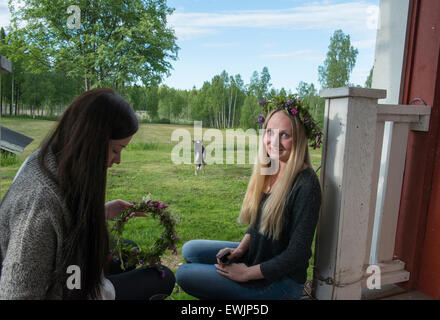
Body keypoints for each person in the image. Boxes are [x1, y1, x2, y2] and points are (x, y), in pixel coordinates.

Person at [0, 88, 175, 300]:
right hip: (69, 288)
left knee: (130, 249)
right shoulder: (39, 204)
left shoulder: (55, 160)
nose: (118, 160)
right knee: (162, 279)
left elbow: (62, 225)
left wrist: (101, 212)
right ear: (92, 143)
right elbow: (17, 293)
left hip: (71, 276)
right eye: (116, 150)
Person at [176, 97, 322, 300]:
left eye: (285, 135)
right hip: (258, 255)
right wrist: (240, 250)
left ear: (299, 139)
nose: (274, 141)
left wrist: (246, 274)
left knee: (184, 274)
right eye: (270, 132)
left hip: (280, 283)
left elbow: (296, 254)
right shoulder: (271, 168)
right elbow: (259, 221)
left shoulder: (306, 185)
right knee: (190, 250)